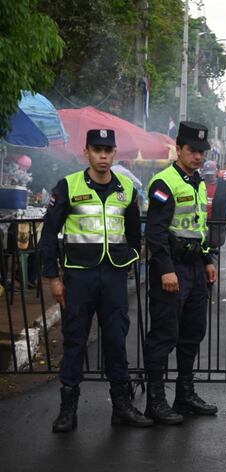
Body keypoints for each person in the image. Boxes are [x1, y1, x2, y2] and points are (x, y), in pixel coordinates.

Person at [40, 129, 151, 432]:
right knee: (75, 339)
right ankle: (67, 410)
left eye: (108, 150)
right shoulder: (68, 186)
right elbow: (49, 234)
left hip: (114, 274)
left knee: (116, 339)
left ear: (115, 154)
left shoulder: (127, 188)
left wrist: (129, 258)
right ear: (86, 151)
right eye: (97, 150)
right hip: (78, 275)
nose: (103, 156)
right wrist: (53, 278)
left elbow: (133, 232)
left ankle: (122, 406)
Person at [143, 121, 219, 425]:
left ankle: (184, 395)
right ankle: (155, 401)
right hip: (172, 269)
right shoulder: (164, 183)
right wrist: (165, 270)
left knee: (192, 333)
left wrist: (208, 259)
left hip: (196, 269)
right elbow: (157, 232)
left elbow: (198, 228)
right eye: (193, 150)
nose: (198, 156)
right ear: (179, 148)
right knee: (164, 335)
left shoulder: (197, 182)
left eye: (202, 151)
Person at [202, 160, 226, 248]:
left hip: (216, 223)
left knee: (212, 250)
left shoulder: (222, 185)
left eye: (211, 175)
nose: (209, 178)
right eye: (207, 175)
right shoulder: (199, 183)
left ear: (216, 173)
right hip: (201, 224)